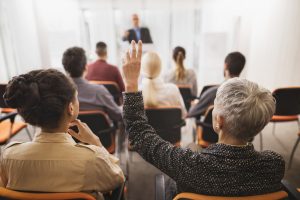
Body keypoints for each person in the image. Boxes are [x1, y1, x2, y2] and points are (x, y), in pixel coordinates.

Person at [122, 41, 285, 197]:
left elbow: (140, 135)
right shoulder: (274, 165)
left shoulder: (190, 165)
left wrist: (131, 85)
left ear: (219, 121)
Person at [0, 69, 124, 199]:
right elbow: (117, 178)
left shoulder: (8, 156)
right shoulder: (92, 159)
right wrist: (96, 143)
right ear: (70, 108)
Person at [62, 47, 122, 122]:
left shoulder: (58, 94)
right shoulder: (99, 91)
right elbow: (118, 115)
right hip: (98, 134)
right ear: (85, 67)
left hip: (68, 134)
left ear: (65, 68)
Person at [188, 52, 246, 119]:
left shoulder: (214, 92)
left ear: (225, 66)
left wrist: (194, 105)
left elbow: (191, 113)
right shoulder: (246, 93)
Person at [141, 51, 186, 117]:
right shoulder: (173, 90)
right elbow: (183, 115)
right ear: (160, 68)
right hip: (171, 127)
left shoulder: (135, 95)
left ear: (142, 69)